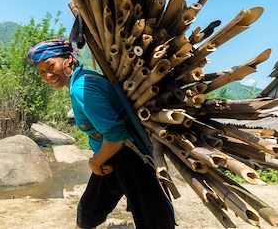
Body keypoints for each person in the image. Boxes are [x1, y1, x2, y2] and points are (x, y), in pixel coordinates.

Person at [27, 39, 175, 229]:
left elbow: (116, 135)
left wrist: (95, 162)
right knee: (87, 212)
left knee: (153, 221)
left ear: (68, 60)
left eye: (50, 66)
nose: (47, 75)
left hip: (129, 157)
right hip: (111, 158)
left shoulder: (81, 87)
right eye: (41, 72)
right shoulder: (84, 80)